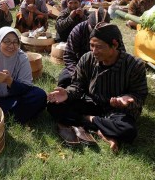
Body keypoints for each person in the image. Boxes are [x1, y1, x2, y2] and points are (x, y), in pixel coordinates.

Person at [48, 23, 148, 152]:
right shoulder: (87, 58)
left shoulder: (134, 65)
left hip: (117, 112)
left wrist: (127, 99)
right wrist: (67, 93)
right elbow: (78, 85)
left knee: (128, 131)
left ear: (115, 45)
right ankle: (103, 129)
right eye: (92, 45)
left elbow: (140, 95)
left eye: (99, 47)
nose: (94, 51)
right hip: (92, 104)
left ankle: (88, 120)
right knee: (53, 106)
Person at [58, 8, 117, 88]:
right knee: (65, 80)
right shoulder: (77, 30)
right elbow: (69, 56)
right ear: (88, 22)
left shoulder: (113, 33)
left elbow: (120, 55)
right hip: (80, 67)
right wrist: (77, 74)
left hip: (106, 67)